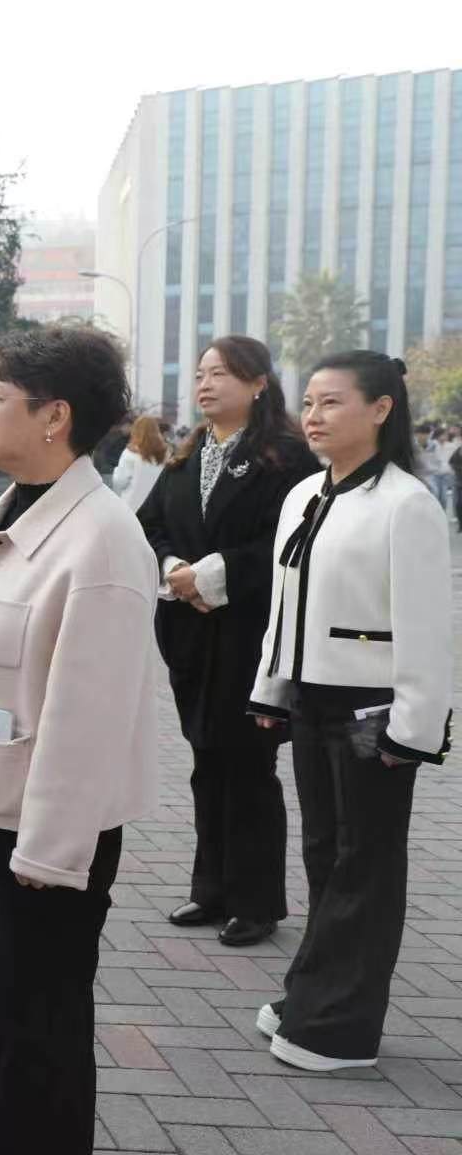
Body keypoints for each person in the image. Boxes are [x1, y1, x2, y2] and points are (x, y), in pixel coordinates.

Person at [0, 325, 159, 1155]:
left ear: (55, 416)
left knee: (39, 1027)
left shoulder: (102, 541)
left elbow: (89, 719)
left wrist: (51, 856)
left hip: (39, 841)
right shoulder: (12, 510)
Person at [249, 351, 453, 1073]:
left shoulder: (407, 504)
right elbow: (284, 606)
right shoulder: (305, 494)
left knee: (365, 863)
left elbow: (428, 628)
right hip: (311, 698)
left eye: (332, 402)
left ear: (381, 409)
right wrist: (272, 688)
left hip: (374, 712)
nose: (313, 416)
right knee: (324, 854)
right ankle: (312, 993)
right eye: (308, 402)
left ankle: (341, 1028)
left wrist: (414, 729)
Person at [137, 337, 317, 951]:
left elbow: (289, 545)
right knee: (207, 762)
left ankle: (255, 902)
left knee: (249, 768)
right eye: (199, 374)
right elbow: (150, 525)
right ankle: (210, 888)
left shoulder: (288, 458)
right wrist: (172, 568)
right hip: (192, 634)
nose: (205, 384)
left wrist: (212, 574)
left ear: (259, 382)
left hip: (249, 634)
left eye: (220, 373)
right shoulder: (187, 455)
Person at [110, 414, 169, 510]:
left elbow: (119, 482)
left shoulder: (130, 453)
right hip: (155, 507)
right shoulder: (164, 454)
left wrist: (116, 470)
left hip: (133, 506)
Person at [421, 421, 455, 513]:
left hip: (446, 474)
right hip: (434, 474)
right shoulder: (433, 444)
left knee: (444, 497)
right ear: (438, 435)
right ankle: (435, 513)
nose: (445, 437)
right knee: (435, 494)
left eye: (446, 435)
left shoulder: (451, 445)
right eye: (443, 435)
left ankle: (442, 513)